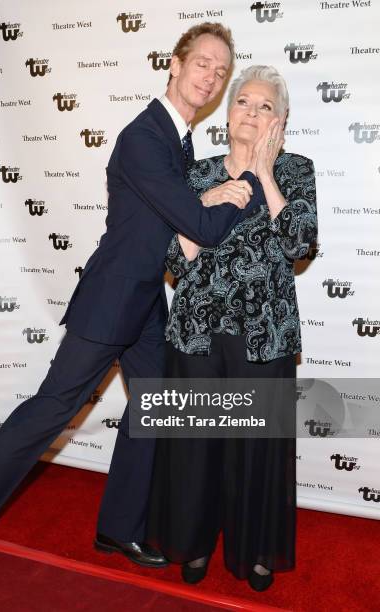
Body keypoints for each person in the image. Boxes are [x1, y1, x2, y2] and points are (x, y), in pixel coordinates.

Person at [0, 23, 266, 588]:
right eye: (202, 63)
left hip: (143, 299)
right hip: (110, 301)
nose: (212, 77)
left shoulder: (175, 139)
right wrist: (247, 180)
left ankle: (118, 526)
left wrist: (209, 197)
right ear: (174, 66)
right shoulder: (146, 136)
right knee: (50, 412)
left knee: (158, 406)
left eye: (221, 71)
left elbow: (162, 222)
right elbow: (199, 225)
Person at [147, 65, 317, 591]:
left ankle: (256, 550)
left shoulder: (296, 171)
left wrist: (263, 176)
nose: (252, 111)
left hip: (264, 338)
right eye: (244, 101)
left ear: (281, 120)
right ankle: (193, 542)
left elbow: (298, 244)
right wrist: (206, 204)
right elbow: (176, 258)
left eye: (265, 106)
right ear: (228, 113)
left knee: (257, 452)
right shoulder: (195, 174)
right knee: (195, 449)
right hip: (198, 334)